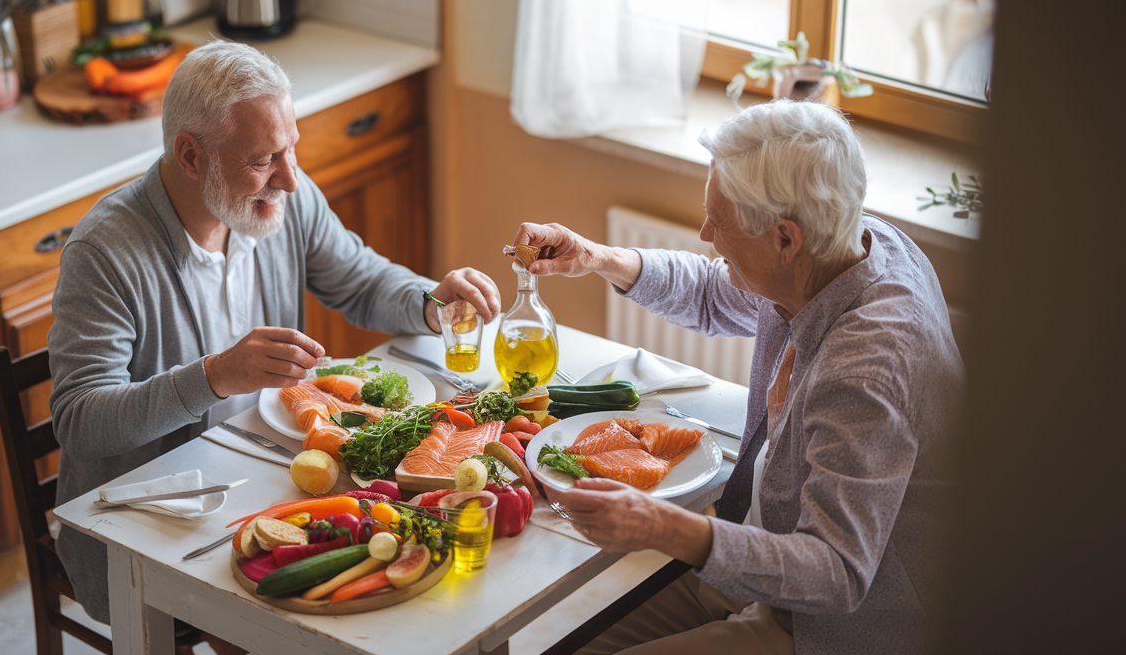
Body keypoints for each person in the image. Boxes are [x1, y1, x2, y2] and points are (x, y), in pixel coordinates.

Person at [47, 41, 500, 629]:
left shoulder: (276, 194)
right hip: (160, 516)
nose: (289, 178)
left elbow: (359, 278)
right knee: (325, 625)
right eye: (263, 159)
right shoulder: (105, 251)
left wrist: (430, 303)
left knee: (398, 599)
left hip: (275, 470)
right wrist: (215, 377)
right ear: (190, 156)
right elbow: (80, 419)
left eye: (292, 150)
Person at [515, 99, 962, 654]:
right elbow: (710, 290)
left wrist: (662, 528)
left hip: (831, 626)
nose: (705, 232)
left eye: (718, 221)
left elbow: (836, 572)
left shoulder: (867, 367)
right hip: (757, 550)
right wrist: (597, 257)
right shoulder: (848, 245)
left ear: (784, 239)